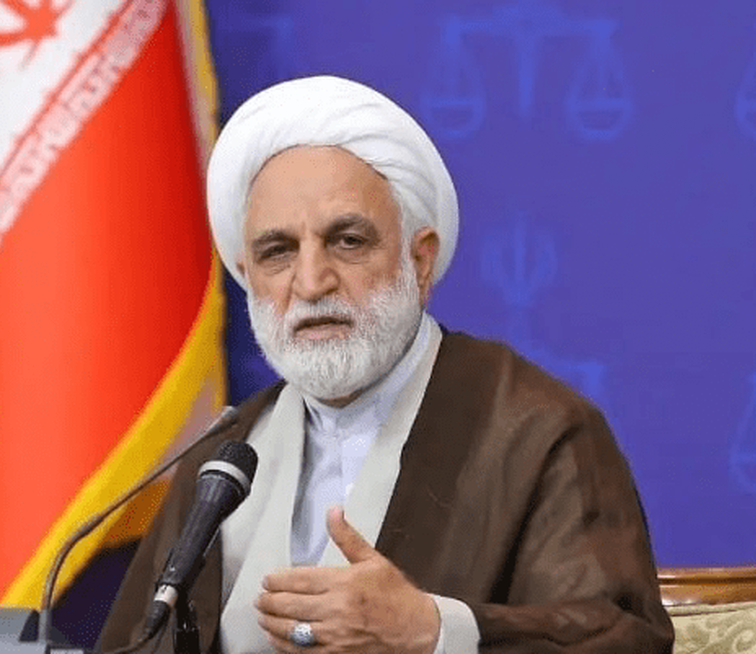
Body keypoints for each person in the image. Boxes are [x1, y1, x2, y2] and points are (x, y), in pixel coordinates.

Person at [97, 76, 673, 654]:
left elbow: (624, 639)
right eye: (278, 252)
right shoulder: (223, 459)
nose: (311, 282)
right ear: (248, 278)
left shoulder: (535, 431)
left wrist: (433, 632)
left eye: (347, 241)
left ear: (419, 262)